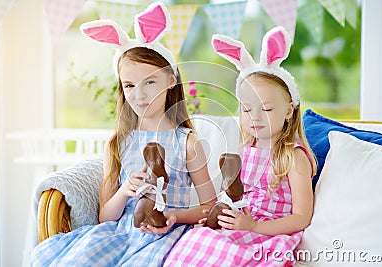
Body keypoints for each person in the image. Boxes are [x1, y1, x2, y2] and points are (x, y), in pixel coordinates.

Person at [30, 2, 216, 266]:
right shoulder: (118, 143)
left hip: (169, 233)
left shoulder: (187, 142)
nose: (139, 95)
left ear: (171, 80)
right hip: (121, 233)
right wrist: (125, 191)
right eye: (129, 85)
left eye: (150, 82)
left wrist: (175, 216)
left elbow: (209, 207)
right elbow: (106, 216)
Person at [164, 27, 317, 266]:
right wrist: (222, 217)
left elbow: (301, 217)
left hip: (268, 232)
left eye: (266, 109)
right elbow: (238, 198)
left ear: (289, 110)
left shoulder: (292, 157)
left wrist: (254, 226)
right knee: (195, 238)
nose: (255, 117)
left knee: (232, 255)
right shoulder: (247, 149)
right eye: (247, 109)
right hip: (243, 224)